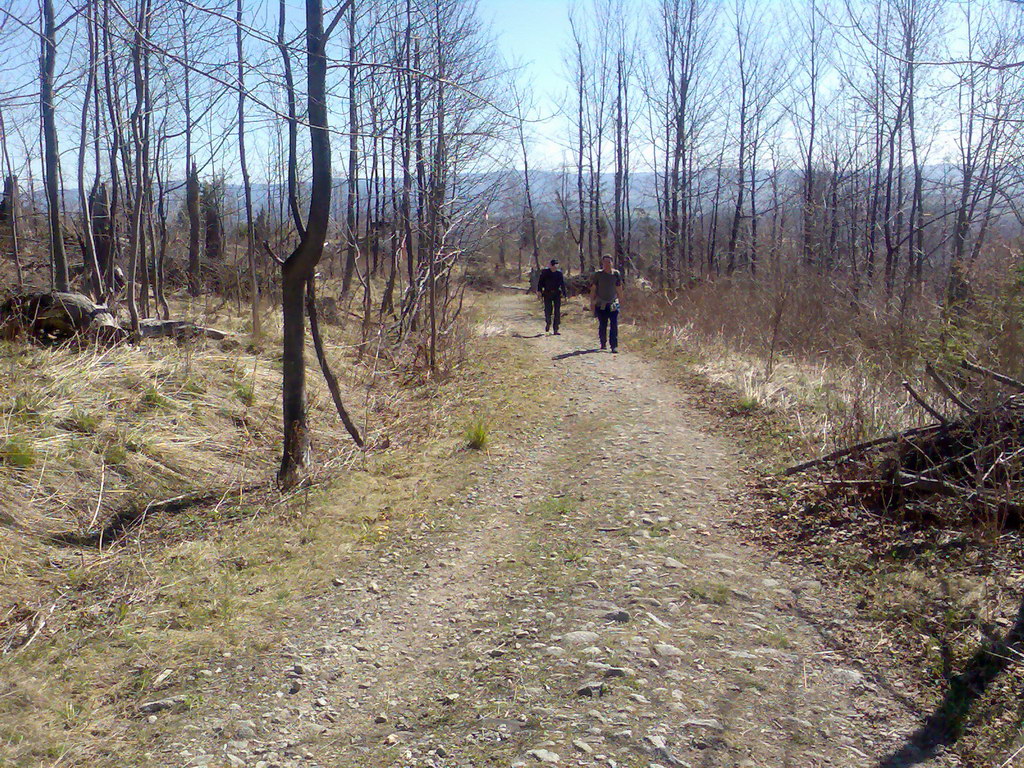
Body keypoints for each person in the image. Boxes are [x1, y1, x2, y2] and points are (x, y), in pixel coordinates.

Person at [589, 255, 622, 352]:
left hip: (613, 303)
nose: (607, 264)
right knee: (603, 324)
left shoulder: (616, 274)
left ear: (612, 263)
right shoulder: (598, 275)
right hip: (601, 303)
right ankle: (603, 343)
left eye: (609, 262)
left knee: (614, 324)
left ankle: (614, 346)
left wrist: (621, 299)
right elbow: (593, 288)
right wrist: (592, 302)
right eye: (605, 262)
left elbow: (619, 288)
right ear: (602, 263)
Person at [536, 258, 568, 334]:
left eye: (556, 265)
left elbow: (562, 284)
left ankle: (556, 329)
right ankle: (548, 322)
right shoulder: (545, 273)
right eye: (553, 265)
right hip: (547, 293)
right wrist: (539, 291)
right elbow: (540, 283)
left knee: (557, 311)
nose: (555, 267)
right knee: (548, 310)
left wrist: (565, 295)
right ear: (550, 265)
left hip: (557, 294)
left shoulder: (559, 274)